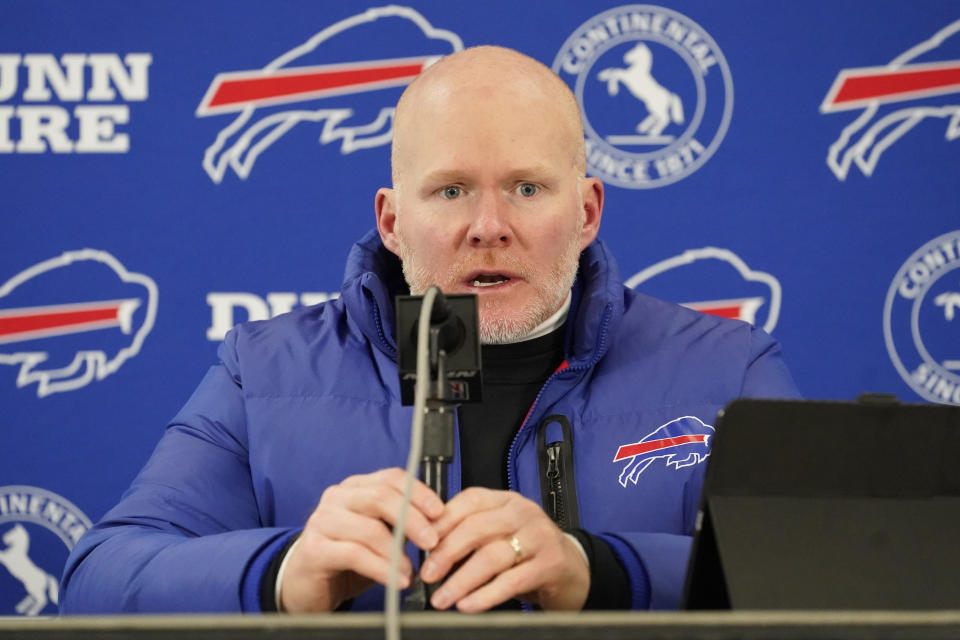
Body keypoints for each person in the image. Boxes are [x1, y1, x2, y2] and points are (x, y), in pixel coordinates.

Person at [59, 46, 799, 614]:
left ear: (587, 211)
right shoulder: (266, 371)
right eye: (450, 190)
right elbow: (99, 579)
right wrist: (286, 572)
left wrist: (602, 571)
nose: (488, 228)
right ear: (391, 220)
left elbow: (820, 579)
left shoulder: (725, 369)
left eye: (527, 188)